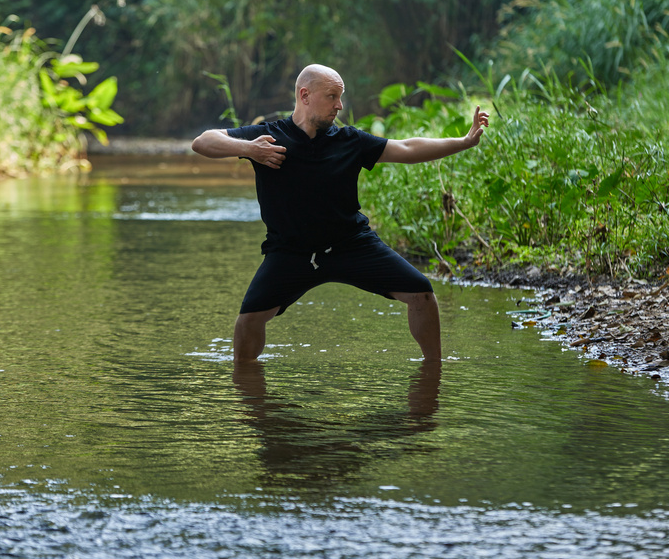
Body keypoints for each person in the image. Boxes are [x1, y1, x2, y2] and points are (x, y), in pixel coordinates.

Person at [191, 64, 488, 363]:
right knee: (249, 319)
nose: (339, 105)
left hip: (352, 245)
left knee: (422, 293)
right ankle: (249, 391)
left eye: (340, 96)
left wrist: (464, 142)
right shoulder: (268, 137)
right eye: (332, 96)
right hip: (290, 252)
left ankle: (433, 372)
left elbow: (407, 148)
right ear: (305, 95)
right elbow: (203, 141)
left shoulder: (350, 141)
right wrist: (250, 149)